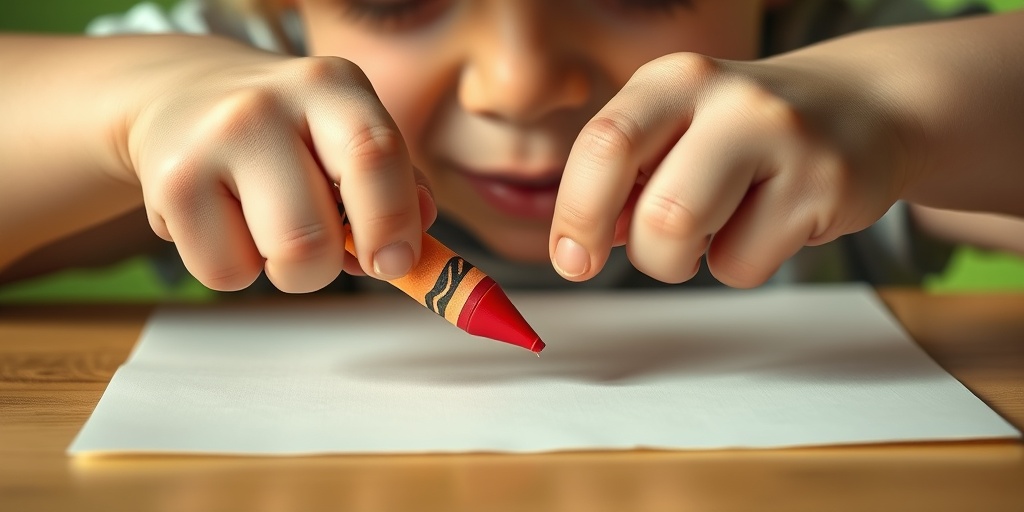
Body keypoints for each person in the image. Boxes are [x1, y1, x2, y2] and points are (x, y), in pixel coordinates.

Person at [1, 0, 1022, 296]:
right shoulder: (236, 77)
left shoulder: (825, 76)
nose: (520, 81)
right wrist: (130, 110)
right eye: (397, 0)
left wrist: (905, 111)